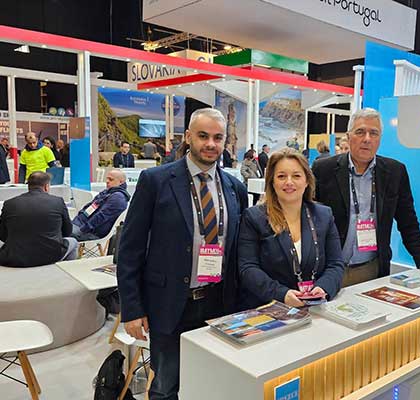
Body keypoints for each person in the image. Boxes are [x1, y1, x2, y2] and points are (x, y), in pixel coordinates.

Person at [117, 108, 248, 399]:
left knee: (211, 382)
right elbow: (130, 249)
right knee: (165, 386)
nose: (210, 144)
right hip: (169, 303)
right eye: (203, 136)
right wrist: (133, 308)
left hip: (219, 303)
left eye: (217, 137)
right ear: (188, 136)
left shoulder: (235, 189)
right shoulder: (155, 181)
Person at [312, 108, 420, 287]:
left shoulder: (394, 172)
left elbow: (408, 222)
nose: (367, 138)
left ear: (380, 139)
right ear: (348, 136)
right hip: (328, 271)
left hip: (372, 270)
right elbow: (309, 220)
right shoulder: (323, 169)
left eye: (374, 133)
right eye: (360, 132)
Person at [237, 148, 344, 309]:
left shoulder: (324, 215)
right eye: (281, 176)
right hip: (270, 308)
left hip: (315, 308)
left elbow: (336, 264)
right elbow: (248, 268)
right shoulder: (254, 218)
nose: (289, 182)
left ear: (307, 181)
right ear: (272, 182)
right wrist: (282, 294)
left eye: (296, 176)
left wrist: (323, 288)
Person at [0, 171, 77, 266]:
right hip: (50, 256)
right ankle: (66, 269)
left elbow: (2, 235)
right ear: (46, 186)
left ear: (29, 186)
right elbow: (67, 231)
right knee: (73, 241)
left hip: (15, 258)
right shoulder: (58, 201)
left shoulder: (9, 204)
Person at [72, 170, 130, 241]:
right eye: (107, 178)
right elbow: (90, 206)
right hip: (81, 224)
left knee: (61, 234)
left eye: (111, 179)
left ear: (121, 182)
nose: (107, 181)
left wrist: (82, 230)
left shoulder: (118, 197)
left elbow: (100, 217)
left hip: (90, 232)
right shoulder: (107, 192)